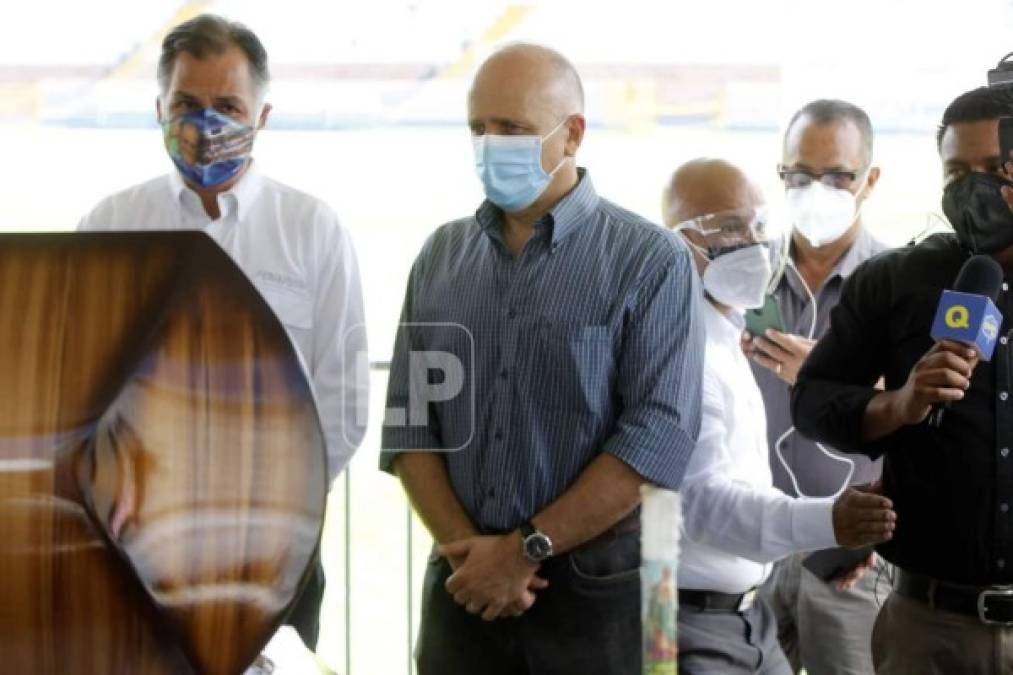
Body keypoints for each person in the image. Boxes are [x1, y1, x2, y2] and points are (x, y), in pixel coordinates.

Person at [379, 43, 704, 675]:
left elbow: (656, 436)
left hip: (592, 597)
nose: (490, 144)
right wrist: (472, 558)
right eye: (479, 128)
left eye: (513, 129)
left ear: (573, 134)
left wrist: (525, 550)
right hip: (462, 588)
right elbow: (411, 421)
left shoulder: (649, 260)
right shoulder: (441, 258)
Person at [77, 14, 368, 650]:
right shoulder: (110, 225)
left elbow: (342, 403)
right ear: (159, 108)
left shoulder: (313, 230)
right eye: (187, 103)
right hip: (135, 550)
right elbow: (81, 392)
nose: (206, 123)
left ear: (261, 116)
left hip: (272, 555)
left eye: (228, 106)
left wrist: (268, 517)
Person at [792, 86, 1013, 674]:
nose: (976, 187)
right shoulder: (894, 280)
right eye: (958, 171)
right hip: (928, 628)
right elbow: (813, 402)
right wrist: (900, 403)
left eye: (996, 169)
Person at [663, 158, 897, 674]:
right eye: (727, 227)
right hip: (693, 619)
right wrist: (829, 520)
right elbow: (699, 502)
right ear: (675, 243)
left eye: (758, 225)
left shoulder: (727, 334)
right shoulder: (684, 353)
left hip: (747, 610)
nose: (752, 242)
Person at [745, 100, 891, 674]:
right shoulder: (741, 277)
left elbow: (937, 418)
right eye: (800, 176)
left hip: (850, 556)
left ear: (871, 181)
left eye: (838, 177)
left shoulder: (898, 283)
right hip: (748, 544)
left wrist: (829, 374)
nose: (817, 190)